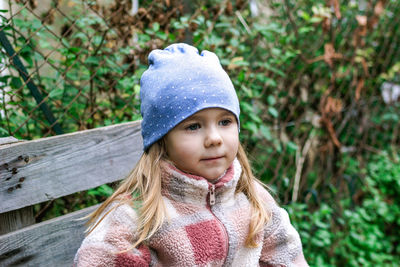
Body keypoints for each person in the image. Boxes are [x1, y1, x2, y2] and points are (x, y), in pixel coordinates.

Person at [74, 43, 308, 266]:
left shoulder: (254, 199)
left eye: (225, 121)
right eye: (193, 126)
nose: (214, 138)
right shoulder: (135, 217)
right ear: (162, 139)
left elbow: (288, 258)